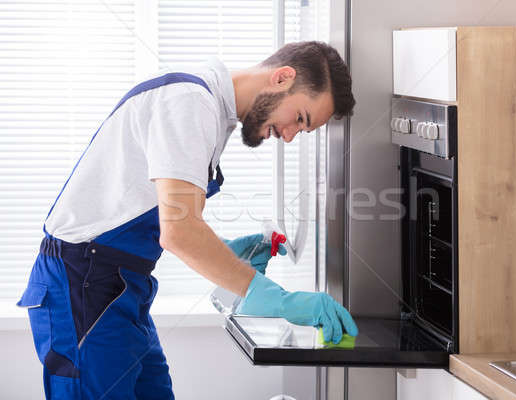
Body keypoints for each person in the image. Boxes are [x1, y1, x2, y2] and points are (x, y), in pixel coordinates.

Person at [17, 41, 357, 399]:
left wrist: (227, 255)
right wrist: (274, 297)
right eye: (300, 119)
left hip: (118, 287)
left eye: (301, 131)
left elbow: (164, 216)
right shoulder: (190, 101)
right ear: (282, 77)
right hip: (83, 288)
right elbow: (179, 233)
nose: (289, 136)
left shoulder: (207, 108)